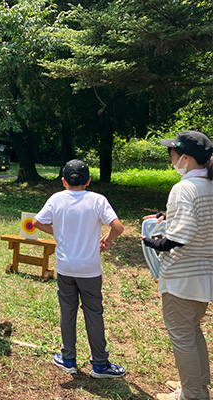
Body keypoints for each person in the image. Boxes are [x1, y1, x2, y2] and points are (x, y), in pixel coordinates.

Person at [33, 159, 126, 378]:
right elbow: (118, 227)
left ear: (63, 181)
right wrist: (109, 240)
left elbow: (37, 222)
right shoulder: (97, 200)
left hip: (66, 267)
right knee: (94, 312)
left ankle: (68, 359)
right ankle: (100, 365)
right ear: (89, 181)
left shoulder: (56, 199)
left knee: (68, 311)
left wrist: (57, 233)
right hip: (90, 268)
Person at [140, 131, 213, 400]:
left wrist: (153, 243)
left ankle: (193, 394)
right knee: (192, 331)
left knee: (182, 337)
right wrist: (167, 215)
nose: (170, 157)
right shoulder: (208, 184)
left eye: (171, 153)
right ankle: (197, 384)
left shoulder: (183, 188)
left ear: (185, 158)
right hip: (204, 275)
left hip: (182, 277)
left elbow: (180, 235)